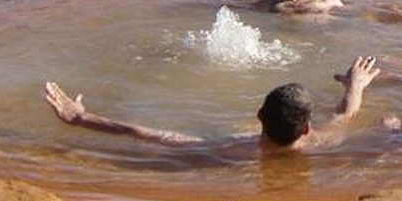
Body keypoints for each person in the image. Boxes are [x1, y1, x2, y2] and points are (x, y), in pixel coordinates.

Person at [42, 56, 381, 155]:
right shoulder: (325, 141)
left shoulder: (233, 149)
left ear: (259, 115)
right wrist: (356, 83)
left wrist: (81, 118)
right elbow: (346, 112)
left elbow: (147, 134)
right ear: (307, 127)